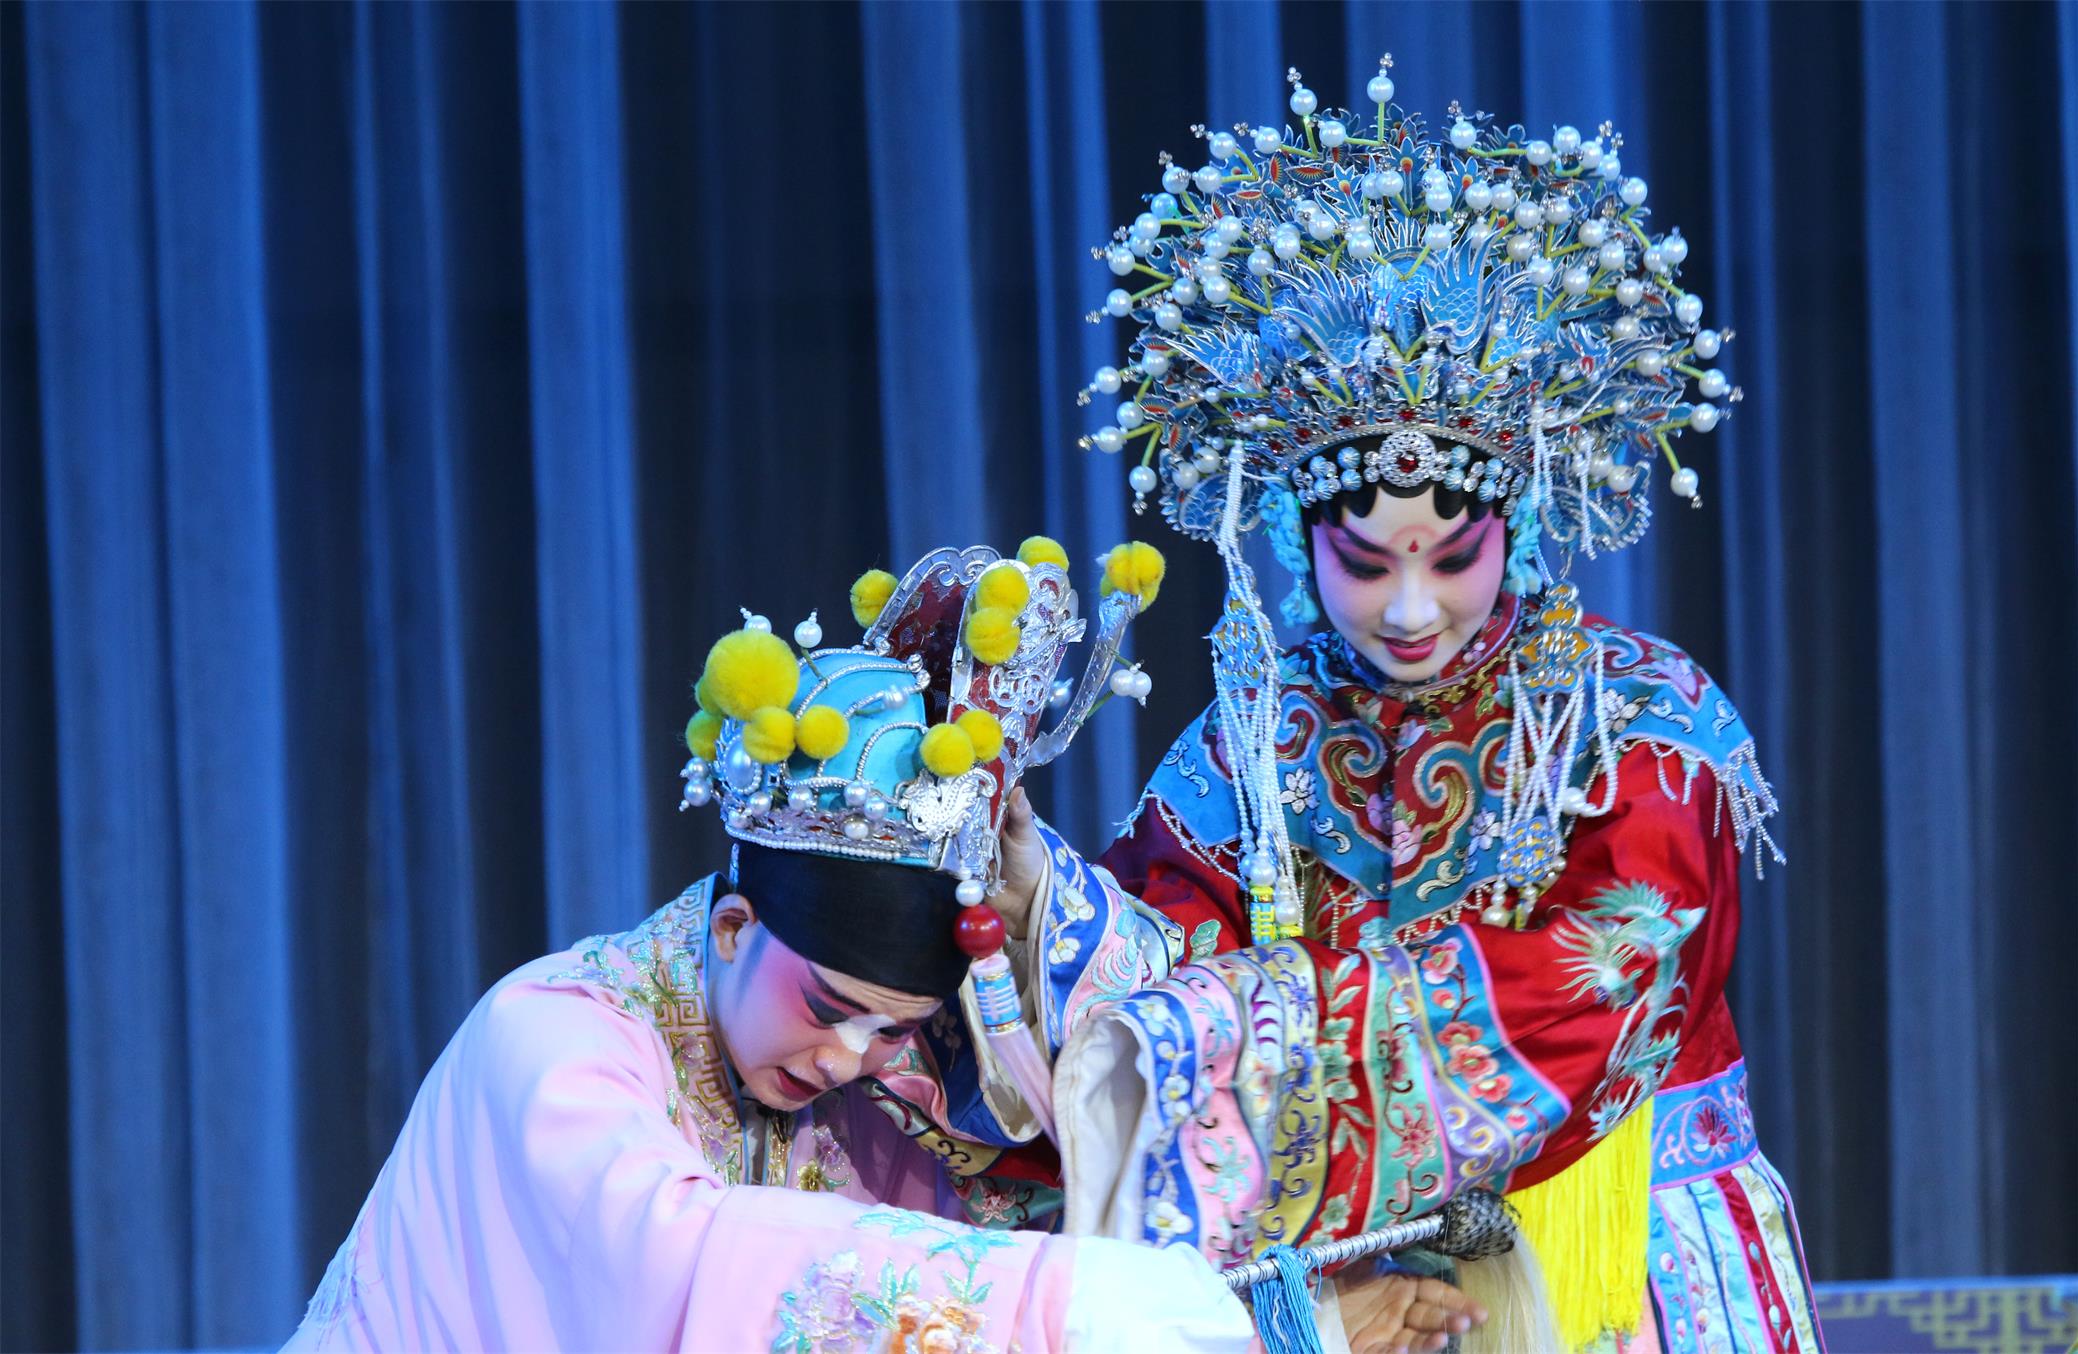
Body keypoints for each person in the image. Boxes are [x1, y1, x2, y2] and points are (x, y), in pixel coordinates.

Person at [972, 61, 1821, 1354]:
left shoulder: (1639, 727)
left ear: (1516, 524)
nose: (1412, 608)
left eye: (1451, 556)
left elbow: (1589, 991)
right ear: (1293, 535)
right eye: (1365, 564)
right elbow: (1162, 972)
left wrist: (1260, 1032)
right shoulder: (1252, 745)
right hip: (1350, 1285)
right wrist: (1045, 901)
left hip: (1624, 1262)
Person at [282, 541, 1261, 1353]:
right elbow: (673, 1257)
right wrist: (1048, 1303)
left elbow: (1087, 1116)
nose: (846, 1058)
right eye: (829, 1007)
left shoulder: (874, 1095)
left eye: (892, 1030)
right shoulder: (550, 1036)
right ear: (733, 927)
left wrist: (1032, 895)